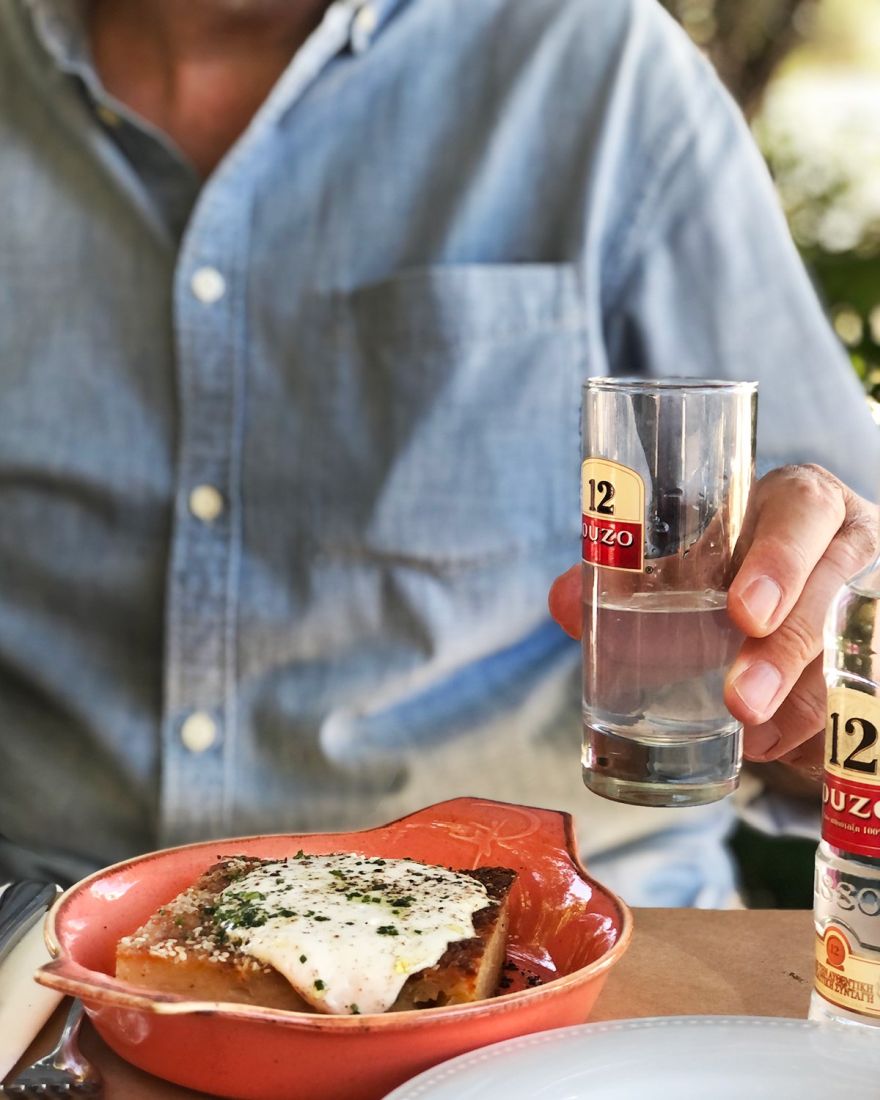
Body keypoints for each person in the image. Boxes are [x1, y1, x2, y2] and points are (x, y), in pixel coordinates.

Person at [0, 0, 877, 906]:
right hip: (47, 936)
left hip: (554, 930)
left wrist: (817, 668)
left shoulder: (596, 66)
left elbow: (852, 599)